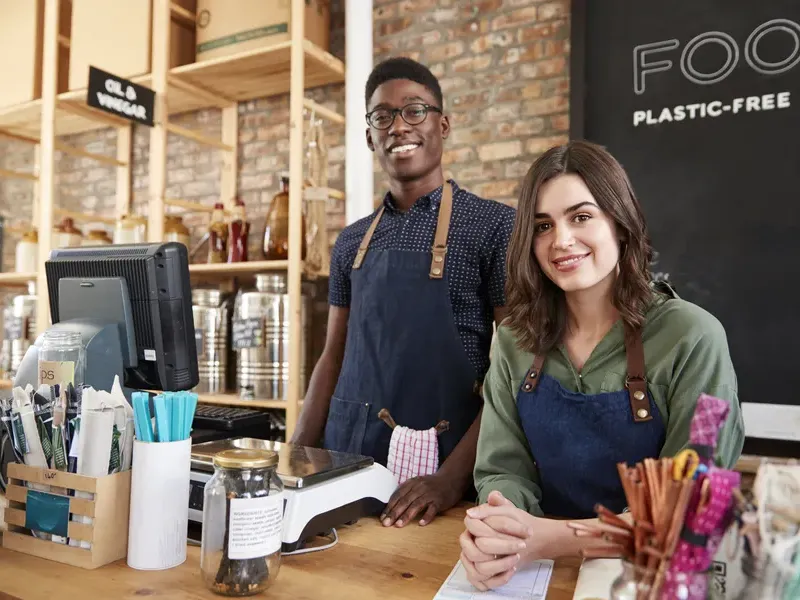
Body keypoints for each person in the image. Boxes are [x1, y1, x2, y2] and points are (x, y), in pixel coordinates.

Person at [458, 140, 745, 590]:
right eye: (542, 225)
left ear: (620, 223)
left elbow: (693, 505)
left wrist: (551, 538)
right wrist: (503, 525)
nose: (562, 240)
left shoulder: (695, 337)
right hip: (538, 571)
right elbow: (502, 468)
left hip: (656, 577)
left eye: (581, 216)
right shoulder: (515, 339)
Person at [291, 57, 516, 528]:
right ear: (370, 135)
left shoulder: (493, 226)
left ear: (443, 123)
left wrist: (450, 481)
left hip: (440, 479)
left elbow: (515, 372)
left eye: (414, 110)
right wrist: (292, 461)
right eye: (382, 116)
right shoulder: (350, 242)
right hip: (344, 468)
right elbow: (332, 358)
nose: (398, 126)